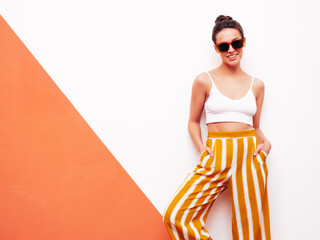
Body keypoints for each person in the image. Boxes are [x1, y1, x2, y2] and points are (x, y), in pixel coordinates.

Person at [162, 14, 272, 240]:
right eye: (224, 46)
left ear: (243, 42)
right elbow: (193, 122)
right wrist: (202, 148)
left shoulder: (257, 85)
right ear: (216, 49)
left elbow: (256, 126)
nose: (231, 49)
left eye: (236, 43)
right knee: (176, 216)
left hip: (249, 155)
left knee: (249, 230)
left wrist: (266, 143)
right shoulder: (204, 80)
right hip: (217, 153)